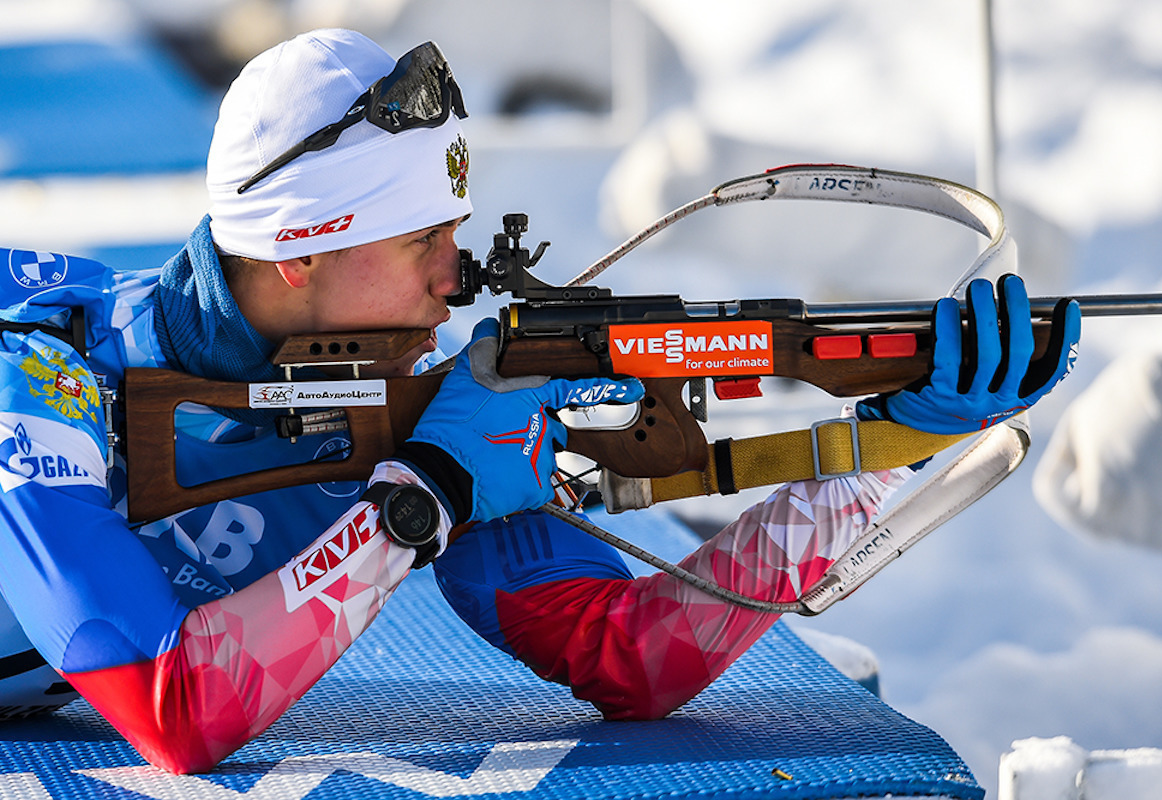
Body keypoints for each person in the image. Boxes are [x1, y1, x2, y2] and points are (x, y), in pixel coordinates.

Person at [0, 29, 1081, 774]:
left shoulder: (403, 400)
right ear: (298, 251)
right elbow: (173, 709)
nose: (453, 274)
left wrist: (894, 438)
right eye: (423, 237)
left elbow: (637, 656)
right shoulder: (40, 385)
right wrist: (416, 503)